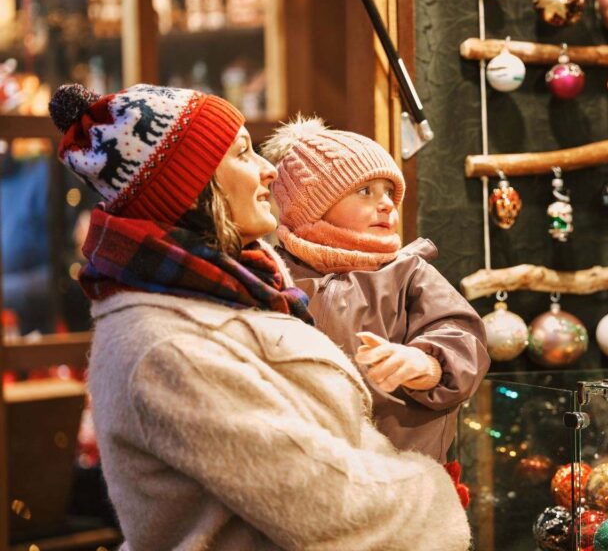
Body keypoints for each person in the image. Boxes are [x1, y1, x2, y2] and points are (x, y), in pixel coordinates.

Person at [48, 83, 471, 550]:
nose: (269, 169)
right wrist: (435, 494)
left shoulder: (241, 290)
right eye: (243, 153)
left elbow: (456, 336)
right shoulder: (170, 347)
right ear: (194, 185)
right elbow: (324, 503)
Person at [262, 116, 489, 464]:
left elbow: (461, 334)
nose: (386, 204)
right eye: (365, 191)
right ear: (312, 206)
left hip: (403, 468)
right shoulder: (274, 273)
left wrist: (427, 363)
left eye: (389, 193)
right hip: (299, 464)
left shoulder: (407, 272)